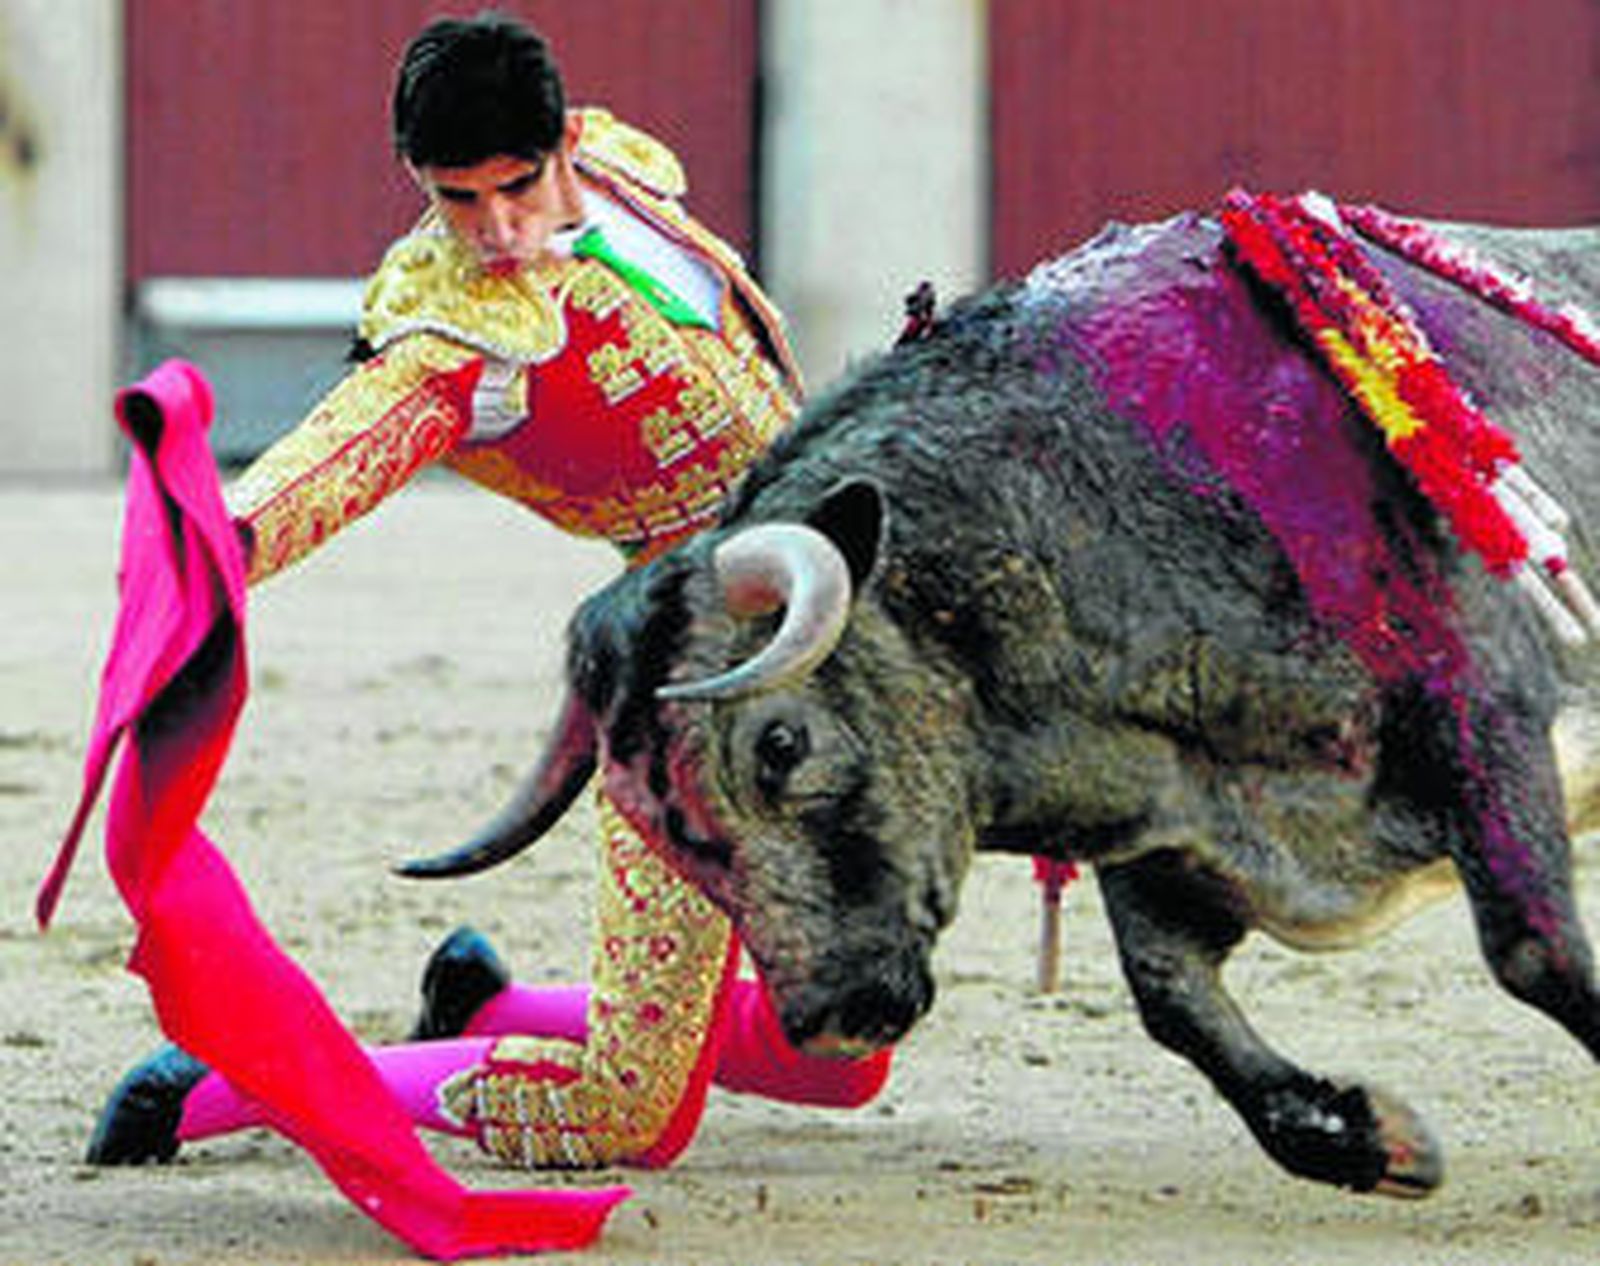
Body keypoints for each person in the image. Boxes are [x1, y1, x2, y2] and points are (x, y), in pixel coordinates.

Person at [87, 10, 889, 1174]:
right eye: (456, 200)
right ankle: (232, 1088)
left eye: (515, 187)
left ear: (564, 142)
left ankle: (489, 1013)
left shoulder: (626, 171)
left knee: (841, 1051)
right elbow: (334, 459)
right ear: (416, 182)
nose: (496, 232)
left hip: (824, 651)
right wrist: (209, 551)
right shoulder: (459, 337)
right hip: (686, 679)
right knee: (624, 1120)